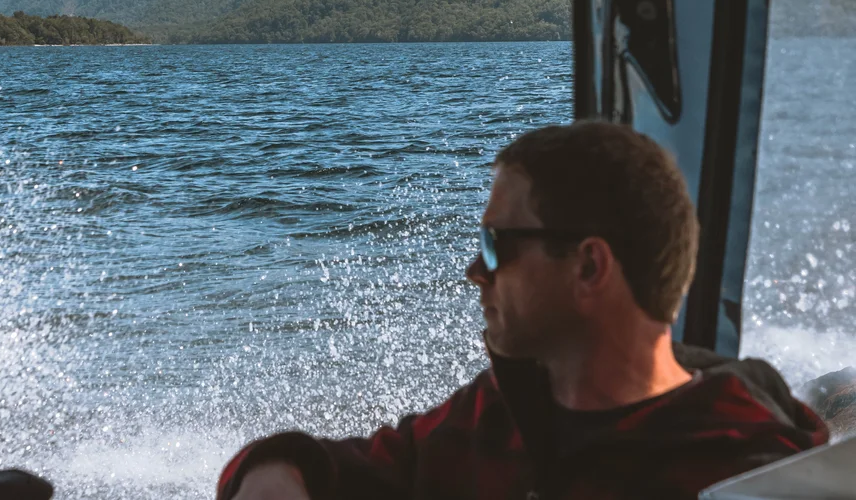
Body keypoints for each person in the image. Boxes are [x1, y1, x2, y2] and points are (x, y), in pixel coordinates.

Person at [217, 121, 828, 500]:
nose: (474, 271)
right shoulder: (501, 413)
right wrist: (276, 472)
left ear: (589, 267)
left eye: (496, 245)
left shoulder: (745, 465)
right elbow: (358, 468)